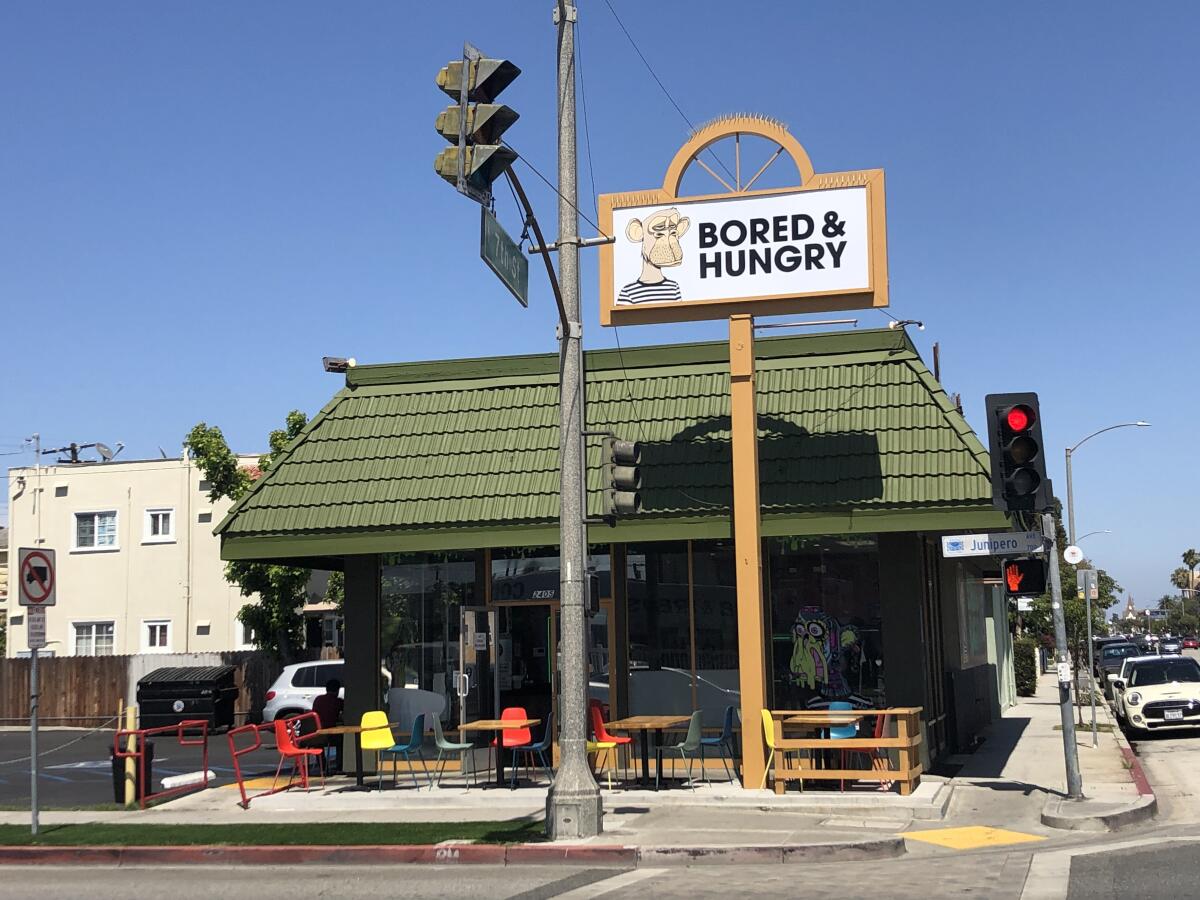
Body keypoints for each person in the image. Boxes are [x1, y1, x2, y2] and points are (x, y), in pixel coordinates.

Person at [311, 678, 343, 773]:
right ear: (337, 690)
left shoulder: (318, 699)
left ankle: (322, 766)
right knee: (341, 741)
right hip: (330, 734)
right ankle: (339, 766)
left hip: (315, 734)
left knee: (319, 742)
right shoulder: (338, 702)